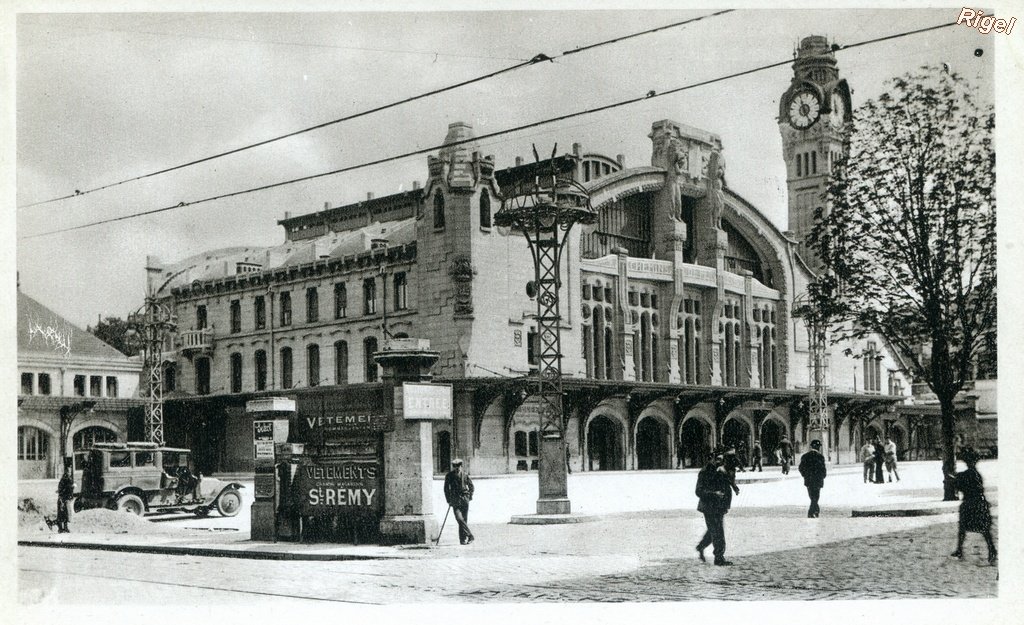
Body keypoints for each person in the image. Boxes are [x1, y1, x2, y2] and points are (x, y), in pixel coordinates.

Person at [949, 448, 996, 564]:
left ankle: (960, 549)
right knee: (985, 530)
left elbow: (960, 487)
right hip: (980, 503)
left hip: (970, 504)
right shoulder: (976, 474)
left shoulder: (966, 474)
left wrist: (954, 480)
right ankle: (992, 550)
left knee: (963, 528)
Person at [695, 447, 734, 566]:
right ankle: (719, 558)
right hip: (709, 507)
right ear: (711, 458)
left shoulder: (720, 470)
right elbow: (698, 491)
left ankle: (701, 546)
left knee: (713, 531)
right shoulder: (705, 471)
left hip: (719, 506)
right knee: (718, 532)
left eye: (721, 459)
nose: (719, 461)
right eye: (717, 459)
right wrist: (714, 494)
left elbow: (727, 486)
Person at [443, 458, 475, 545]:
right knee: (459, 519)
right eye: (455, 466)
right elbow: (446, 489)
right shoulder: (449, 476)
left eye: (459, 466)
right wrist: (448, 500)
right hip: (455, 500)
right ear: (453, 467)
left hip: (464, 499)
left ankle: (463, 539)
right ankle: (470, 535)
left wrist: (470, 496)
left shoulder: (465, 475)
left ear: (461, 466)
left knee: (464, 520)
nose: (457, 468)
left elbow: (471, 486)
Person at [798, 439, 827, 518]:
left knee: (811, 496)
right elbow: (823, 469)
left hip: (809, 480)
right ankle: (813, 511)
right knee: (816, 496)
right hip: (818, 480)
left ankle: (814, 511)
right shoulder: (820, 457)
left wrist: (805, 475)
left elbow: (801, 468)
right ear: (818, 447)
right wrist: (823, 476)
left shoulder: (805, 456)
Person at [56, 461, 75, 534]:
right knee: (62, 513)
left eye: (70, 471)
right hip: (63, 498)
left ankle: (64, 528)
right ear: (66, 471)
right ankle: (61, 528)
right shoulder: (65, 479)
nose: (69, 472)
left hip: (66, 498)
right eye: (68, 471)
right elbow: (62, 488)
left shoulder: (67, 478)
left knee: (65, 513)